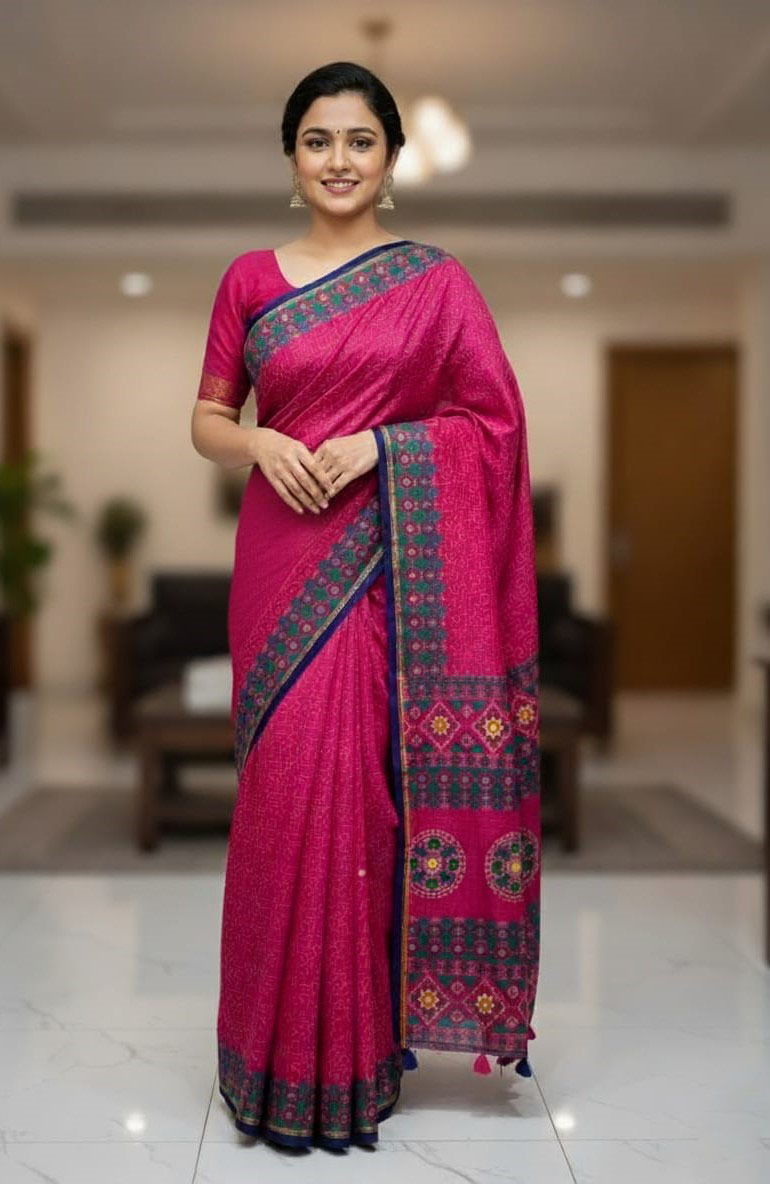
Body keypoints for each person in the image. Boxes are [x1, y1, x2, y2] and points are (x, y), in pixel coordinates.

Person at [191, 60, 541, 1153]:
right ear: (290, 158)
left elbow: (492, 425)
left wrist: (383, 447)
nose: (337, 160)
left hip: (385, 563)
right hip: (279, 557)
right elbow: (206, 419)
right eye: (317, 139)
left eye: (359, 140)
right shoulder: (250, 278)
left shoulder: (436, 284)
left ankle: (353, 1055)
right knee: (282, 789)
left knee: (366, 803)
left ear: (390, 160)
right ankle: (269, 1055)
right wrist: (261, 442)